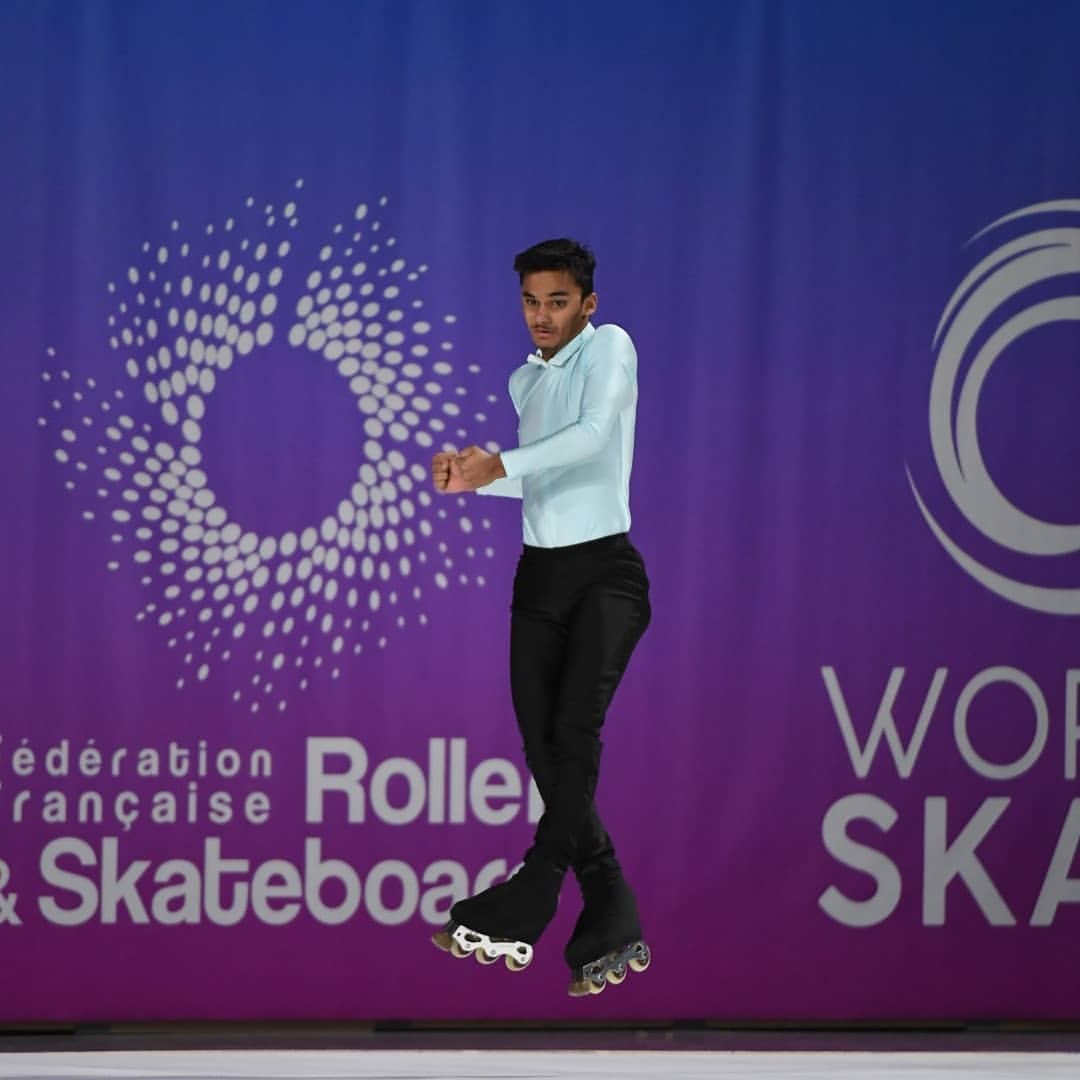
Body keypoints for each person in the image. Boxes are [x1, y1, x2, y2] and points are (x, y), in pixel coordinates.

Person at [429, 238, 651, 997]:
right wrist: (475, 478)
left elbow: (590, 441)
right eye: (531, 301)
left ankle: (534, 887)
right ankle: (609, 901)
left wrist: (503, 463)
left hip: (605, 576)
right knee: (540, 746)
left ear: (586, 304)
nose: (542, 316)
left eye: (558, 301)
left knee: (573, 732)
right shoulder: (524, 380)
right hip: (541, 576)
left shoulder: (610, 349)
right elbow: (541, 479)